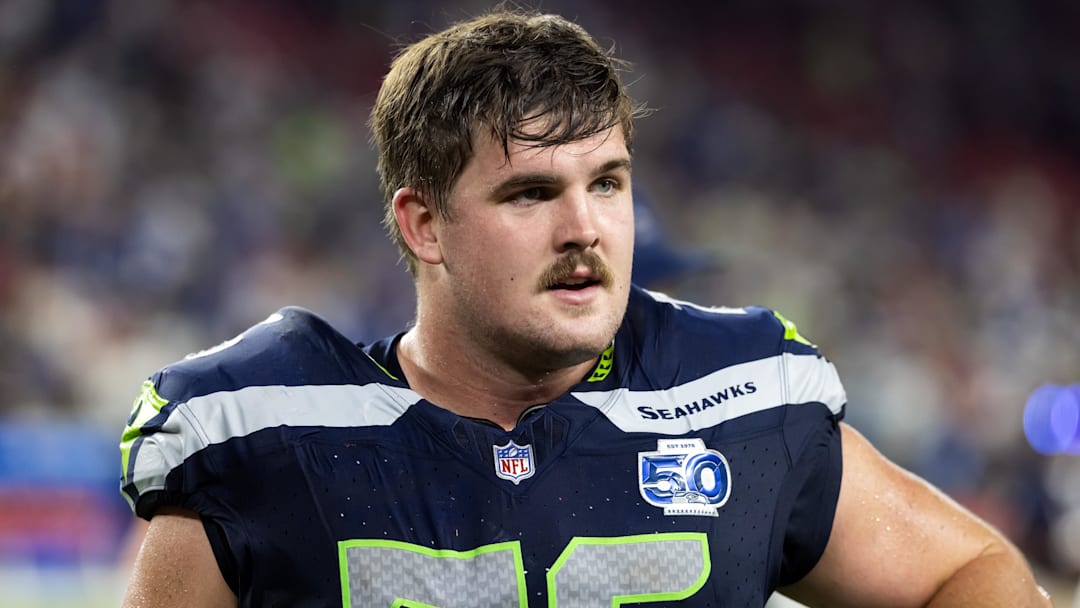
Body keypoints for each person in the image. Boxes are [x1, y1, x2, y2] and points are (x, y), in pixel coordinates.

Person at [119, 8, 1053, 607]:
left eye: (606, 183)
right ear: (425, 222)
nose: (586, 229)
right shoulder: (261, 432)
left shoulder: (738, 400)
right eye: (530, 194)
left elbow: (972, 575)